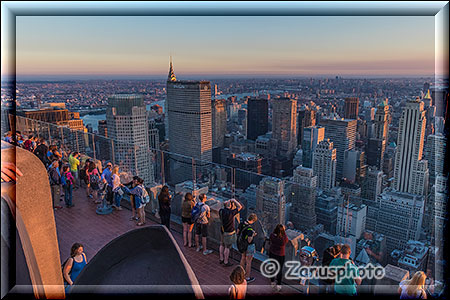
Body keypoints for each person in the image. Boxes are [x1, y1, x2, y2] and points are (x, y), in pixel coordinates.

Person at [219, 198, 243, 266]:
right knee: (227, 247)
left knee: (221, 244)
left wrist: (228, 203)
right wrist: (234, 201)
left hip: (222, 230)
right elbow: (240, 207)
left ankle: (221, 258)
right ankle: (226, 261)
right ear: (230, 206)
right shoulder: (231, 213)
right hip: (229, 231)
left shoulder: (221, 211)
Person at [238, 213, 258, 283]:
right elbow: (249, 240)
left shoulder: (241, 223)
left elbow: (238, 232)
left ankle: (240, 273)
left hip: (242, 244)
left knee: (242, 258)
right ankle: (247, 277)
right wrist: (253, 234)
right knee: (248, 262)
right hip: (249, 246)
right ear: (252, 220)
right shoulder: (250, 228)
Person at [269, 224, 289, 291]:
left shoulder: (272, 235)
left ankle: (272, 281)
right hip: (280, 255)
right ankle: (279, 284)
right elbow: (286, 239)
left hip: (272, 253)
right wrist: (284, 231)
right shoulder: (283, 239)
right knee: (279, 270)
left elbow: (271, 237)